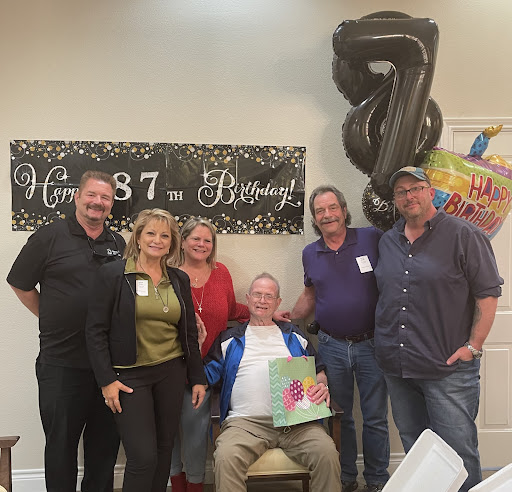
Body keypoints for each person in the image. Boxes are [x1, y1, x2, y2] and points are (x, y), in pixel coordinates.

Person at [374, 166, 503, 492]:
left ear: (431, 192)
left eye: (416, 188)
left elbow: (488, 294)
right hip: (398, 368)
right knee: (418, 452)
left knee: (458, 453)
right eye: (401, 192)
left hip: (447, 369)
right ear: (396, 200)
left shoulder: (465, 235)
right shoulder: (388, 241)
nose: (409, 196)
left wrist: (473, 346)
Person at [6, 170, 125, 492]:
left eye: (105, 197)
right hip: (61, 364)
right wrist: (49, 315)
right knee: (60, 449)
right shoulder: (49, 236)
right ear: (77, 196)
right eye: (92, 195)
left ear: (111, 204)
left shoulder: (118, 243)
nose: (97, 202)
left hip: (107, 368)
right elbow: (19, 282)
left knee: (104, 450)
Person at [275, 185, 389, 492]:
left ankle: (377, 480)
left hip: (372, 344)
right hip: (331, 346)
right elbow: (311, 294)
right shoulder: (310, 253)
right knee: (339, 416)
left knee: (375, 417)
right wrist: (288, 317)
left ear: (343, 210)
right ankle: (346, 476)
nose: (327, 215)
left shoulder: (371, 238)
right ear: (315, 218)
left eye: (332, 208)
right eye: (320, 211)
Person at [85, 208, 207, 492]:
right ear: (138, 237)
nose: (157, 240)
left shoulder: (178, 279)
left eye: (165, 235)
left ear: (172, 242)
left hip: (171, 372)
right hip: (129, 376)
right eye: (151, 233)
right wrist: (106, 380)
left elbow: (188, 332)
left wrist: (197, 377)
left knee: (164, 450)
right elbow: (95, 331)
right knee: (142, 457)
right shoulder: (113, 275)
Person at [204, 272, 342, 492]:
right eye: (257, 294)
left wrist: (321, 385)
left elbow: (318, 369)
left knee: (326, 452)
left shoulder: (294, 335)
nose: (262, 300)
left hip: (297, 424)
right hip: (246, 424)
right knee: (225, 456)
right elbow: (206, 377)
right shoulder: (228, 339)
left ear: (278, 302)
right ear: (248, 299)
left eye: (269, 296)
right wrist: (197, 344)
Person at [170, 217, 249, 492]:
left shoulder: (221, 272)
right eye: (195, 238)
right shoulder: (168, 273)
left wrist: (268, 314)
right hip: (172, 365)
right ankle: (175, 481)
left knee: (195, 430)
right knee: (166, 430)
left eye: (207, 240)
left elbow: (232, 310)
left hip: (208, 369)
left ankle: (194, 484)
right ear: (183, 241)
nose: (201, 244)